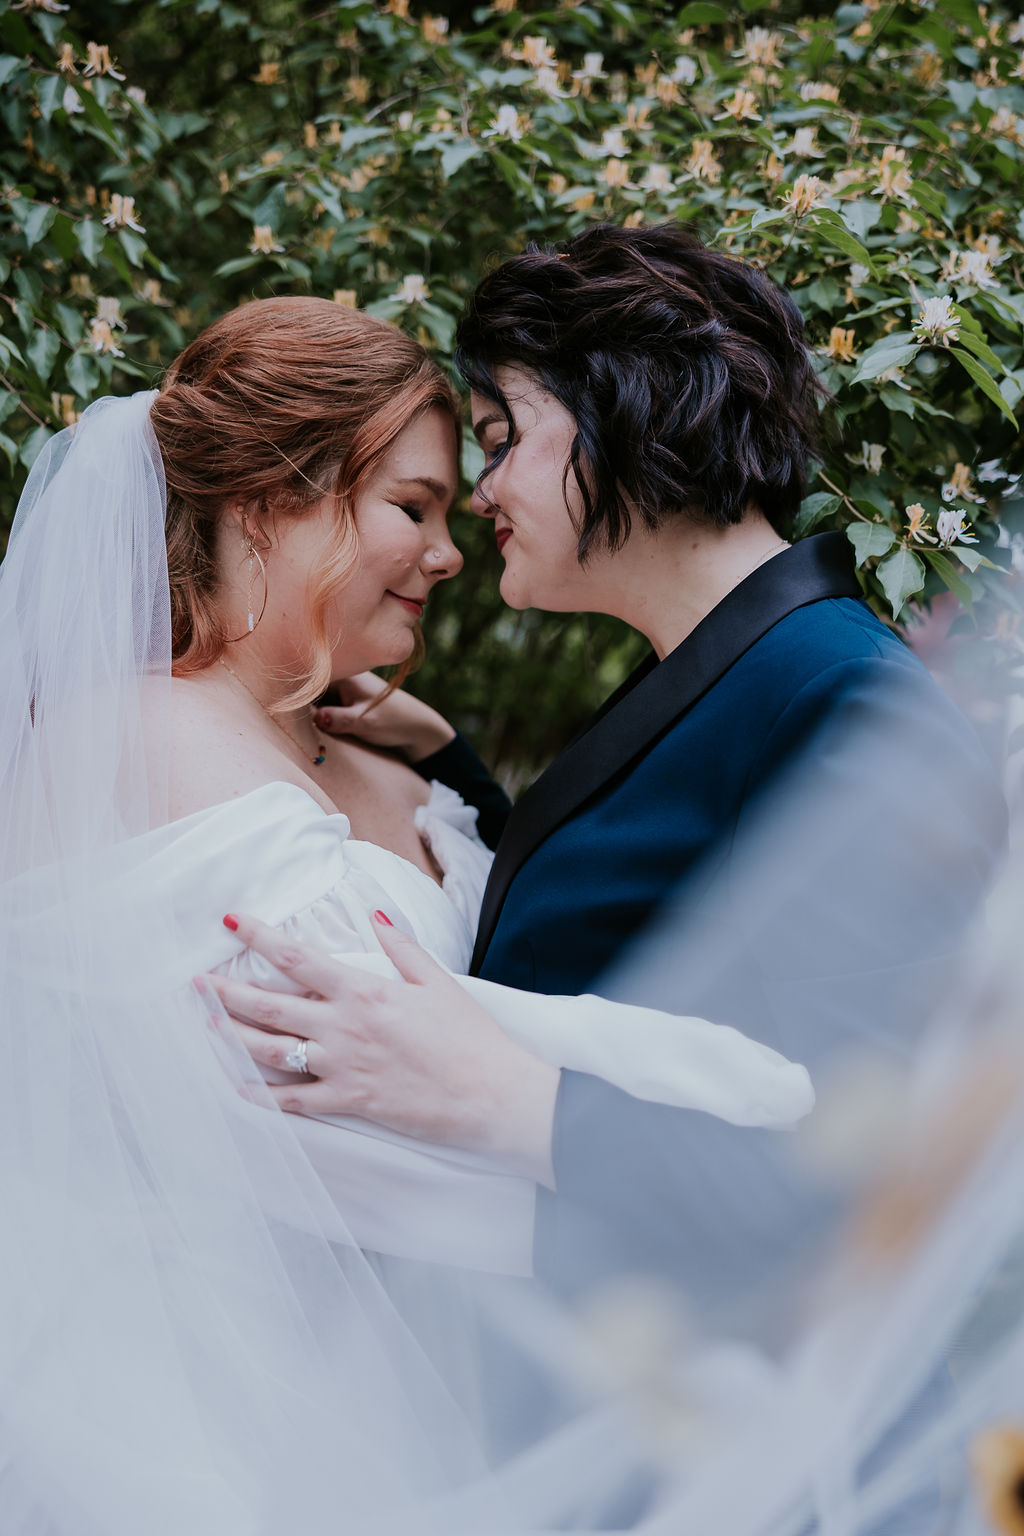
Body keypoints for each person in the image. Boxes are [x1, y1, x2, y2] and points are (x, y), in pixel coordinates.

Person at [0, 294, 816, 1532]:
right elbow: (337, 1106)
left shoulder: (393, 772)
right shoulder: (141, 743)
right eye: (413, 507)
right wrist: (763, 1117)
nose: (450, 551)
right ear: (273, 504)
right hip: (226, 1414)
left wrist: (449, 771)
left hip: (437, 1385)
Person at [218, 224, 1007, 1332]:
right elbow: (618, 942)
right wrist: (450, 770)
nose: (483, 496)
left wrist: (509, 1105)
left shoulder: (850, 703)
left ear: (634, 406)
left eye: (501, 439)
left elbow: (878, 1162)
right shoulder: (727, 672)